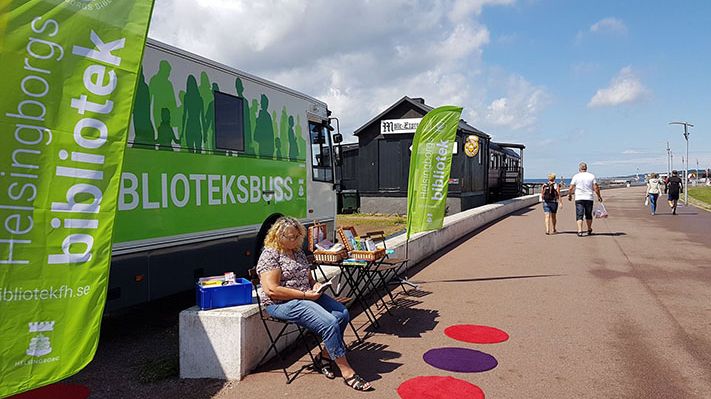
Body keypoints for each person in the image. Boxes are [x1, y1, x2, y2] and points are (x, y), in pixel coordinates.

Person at [256, 217, 373, 391]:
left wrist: (315, 285)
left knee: (341, 314)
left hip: (306, 296)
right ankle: (347, 372)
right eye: (290, 237)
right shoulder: (270, 255)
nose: (294, 240)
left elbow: (309, 278)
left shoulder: (297, 251)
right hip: (281, 302)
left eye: (297, 236)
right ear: (277, 236)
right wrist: (304, 294)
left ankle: (324, 357)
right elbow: (272, 290)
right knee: (329, 322)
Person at [568, 162, 603, 237]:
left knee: (579, 214)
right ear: (586, 168)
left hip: (579, 198)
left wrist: (570, 195)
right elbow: (596, 188)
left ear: (579, 168)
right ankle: (589, 228)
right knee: (588, 214)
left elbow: (571, 187)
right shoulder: (591, 176)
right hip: (589, 198)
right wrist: (599, 196)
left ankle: (580, 230)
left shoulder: (576, 176)